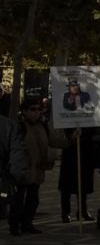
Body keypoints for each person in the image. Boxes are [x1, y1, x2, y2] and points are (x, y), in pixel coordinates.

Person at [12, 98, 65, 235]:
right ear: (24, 111)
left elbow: (54, 141)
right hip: (21, 169)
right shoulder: (19, 126)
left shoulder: (43, 126)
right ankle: (15, 224)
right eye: (33, 109)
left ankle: (27, 223)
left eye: (39, 109)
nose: (37, 112)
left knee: (33, 199)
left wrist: (71, 139)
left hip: (37, 169)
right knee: (18, 198)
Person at [58, 127, 96, 222]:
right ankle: (65, 212)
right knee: (66, 185)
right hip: (69, 153)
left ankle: (82, 210)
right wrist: (72, 137)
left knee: (83, 184)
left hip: (85, 153)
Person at [0, 114, 30, 229]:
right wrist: (14, 178)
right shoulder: (8, 125)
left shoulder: (8, 125)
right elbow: (17, 154)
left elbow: (17, 153)